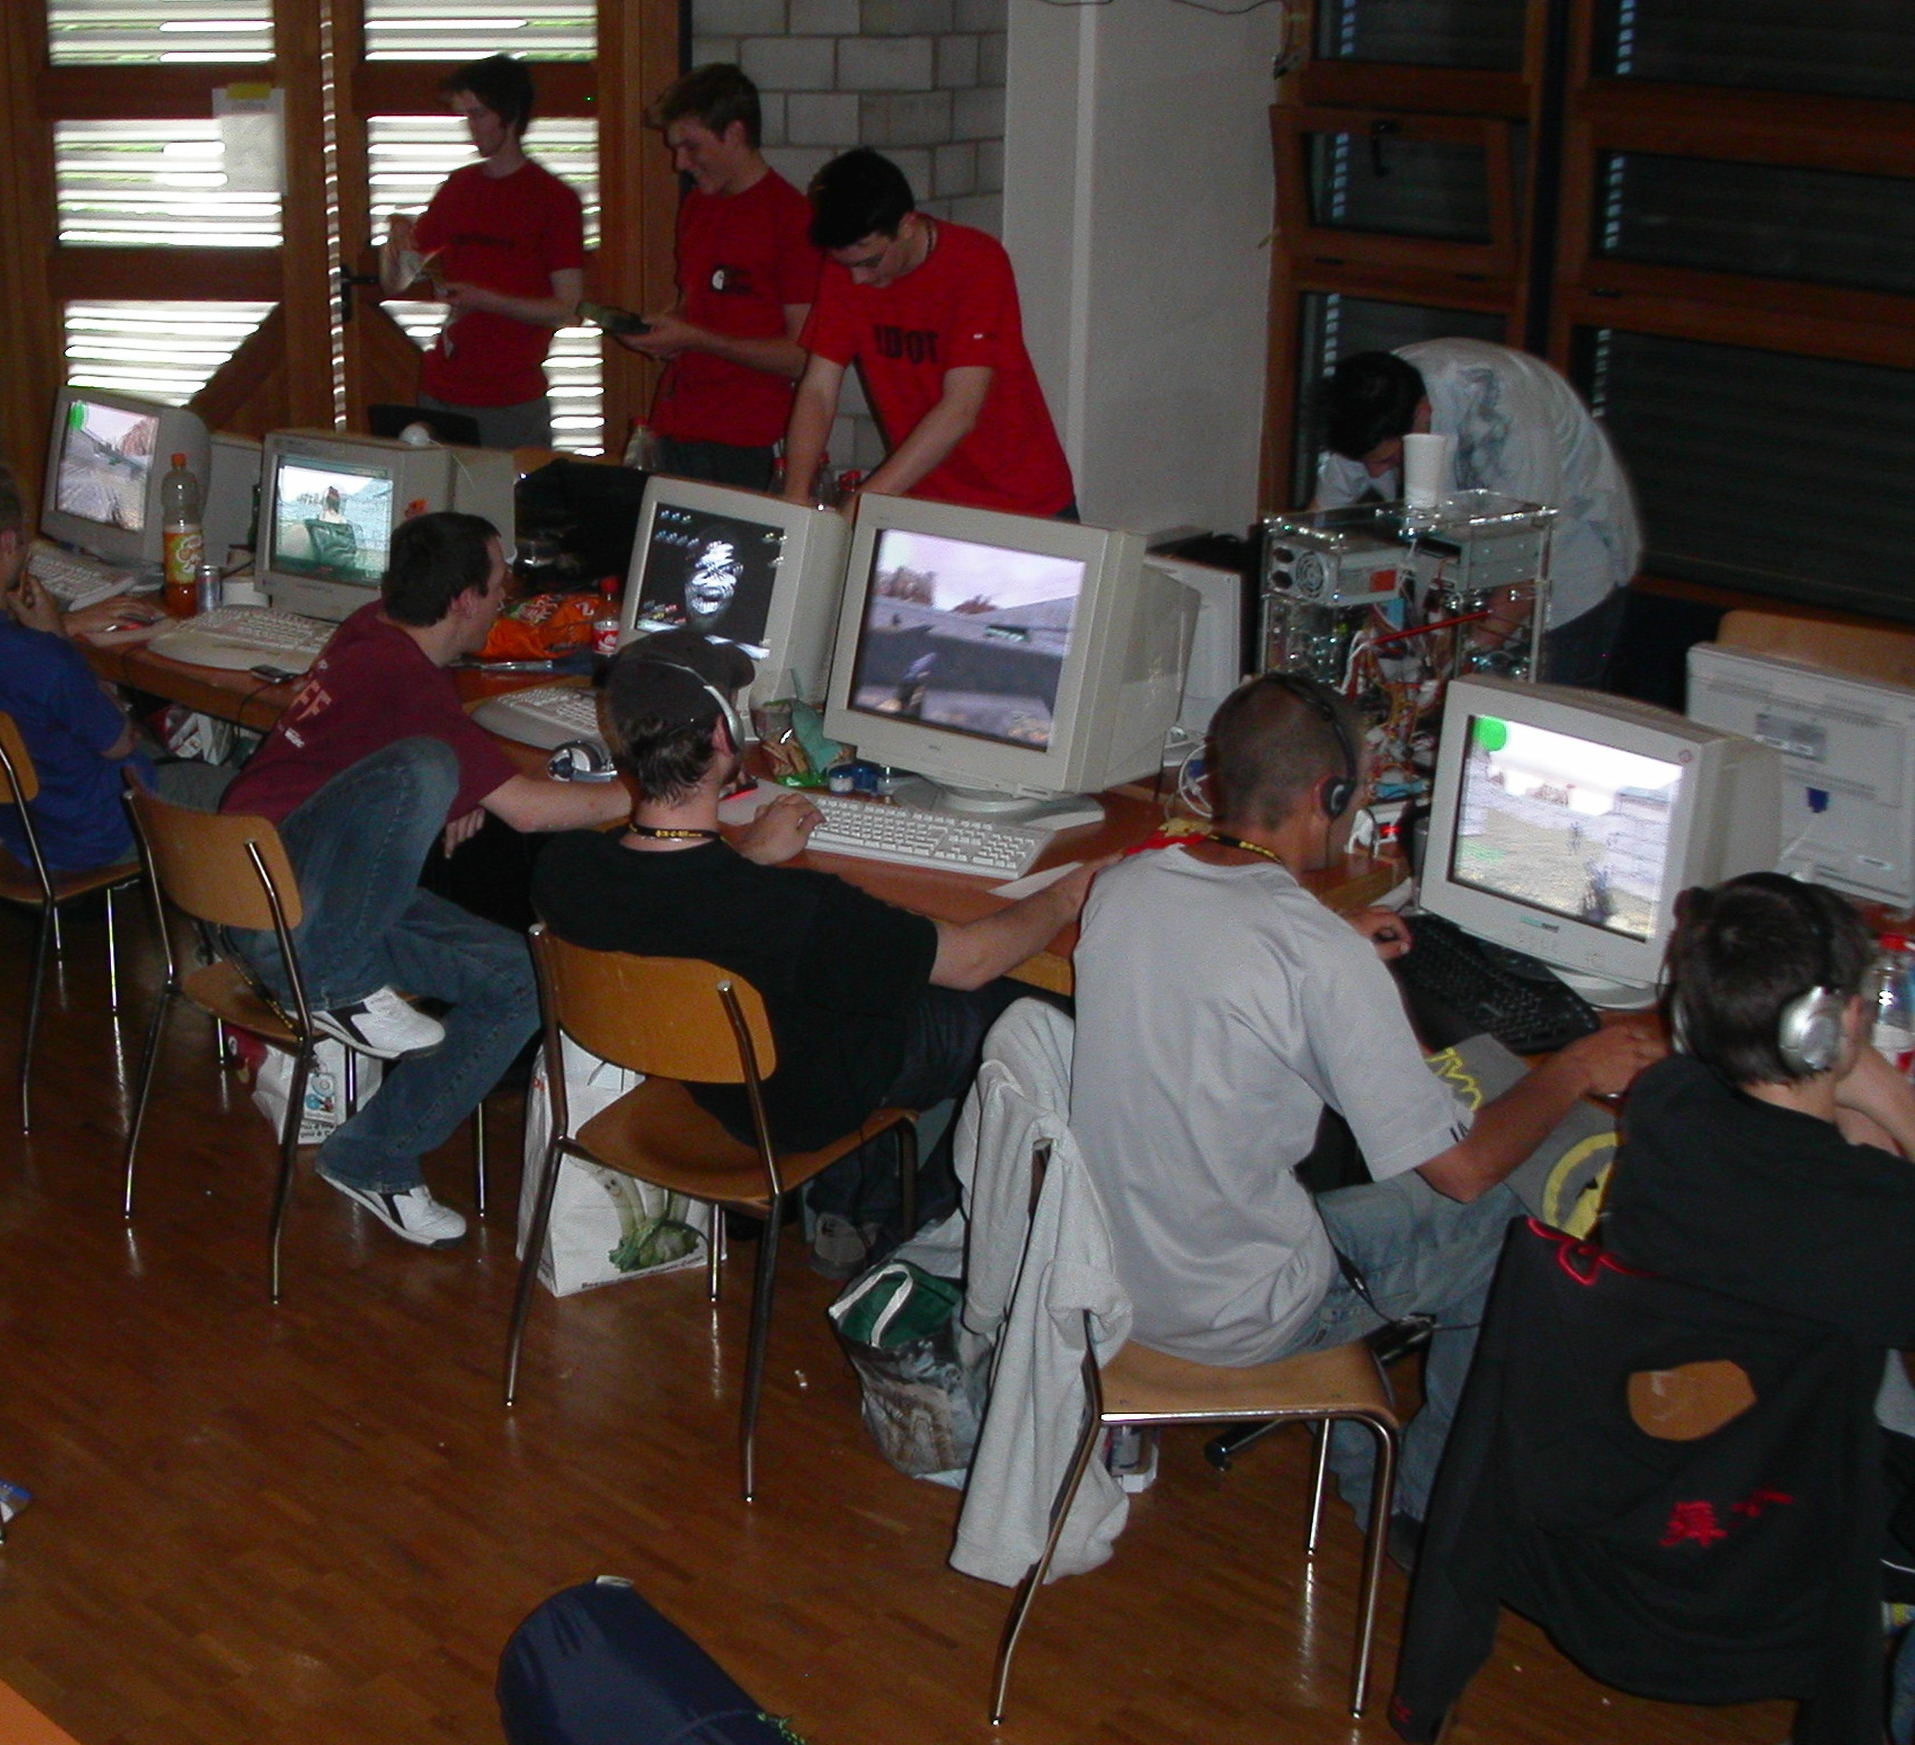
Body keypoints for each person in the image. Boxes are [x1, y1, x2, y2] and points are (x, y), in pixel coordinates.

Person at [1068, 673, 1663, 1543]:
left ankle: (1360, 1451)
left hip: (1104, 1273)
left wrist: (1330, 956)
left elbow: (1228, 965)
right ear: (1333, 794)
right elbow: (1462, 1171)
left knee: (1387, 1193)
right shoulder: (1315, 957)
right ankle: (1421, 1511)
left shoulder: (1126, 887)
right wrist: (1575, 1066)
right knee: (1521, 1232)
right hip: (1233, 1312)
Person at [531, 629, 1106, 1272]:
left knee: (861, 978)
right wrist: (1066, 895)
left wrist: (749, 853)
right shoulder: (798, 909)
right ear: (723, 738)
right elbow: (971, 962)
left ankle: (855, 1205)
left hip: (710, 1081)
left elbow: (679, 897)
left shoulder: (567, 868)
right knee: (1040, 1014)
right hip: (797, 1107)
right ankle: (916, 1240)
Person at [217, 511, 629, 1248]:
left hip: (285, 887)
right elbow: (530, 812)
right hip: (280, 915)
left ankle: (372, 1156)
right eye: (499, 586)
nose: (504, 599)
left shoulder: (371, 629)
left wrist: (462, 790)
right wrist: (650, 795)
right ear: (464, 600)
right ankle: (337, 988)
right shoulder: (406, 683)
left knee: (522, 983)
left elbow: (377, 741)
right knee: (430, 765)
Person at [1604, 872, 1915, 1375]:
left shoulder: (1665, 1098)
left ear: (1690, 1016)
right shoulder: (1878, 1221)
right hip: (1791, 1419)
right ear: (1833, 1024)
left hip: (1658, 1398)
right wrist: (1899, 1103)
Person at [0, 466, 192, 875]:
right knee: (239, 792)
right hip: (95, 834)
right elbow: (120, 742)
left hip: (7, 827)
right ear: (8, 541)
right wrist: (56, 637)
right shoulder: (41, 659)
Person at [1319, 340, 1644, 688]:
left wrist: (1461, 666)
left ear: (1423, 414)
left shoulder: (1502, 414)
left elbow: (1526, 564)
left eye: (1387, 461)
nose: (1373, 473)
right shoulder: (1370, 405)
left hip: (1563, 578)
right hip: (1465, 577)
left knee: (1534, 710)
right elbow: (1321, 518)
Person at [779, 147, 1074, 518]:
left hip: (1020, 499)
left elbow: (960, 409)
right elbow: (818, 391)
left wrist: (863, 504)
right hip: (927, 498)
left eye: (871, 262)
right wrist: (795, 498)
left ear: (906, 225)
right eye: (846, 265)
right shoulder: (847, 267)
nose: (858, 279)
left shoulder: (976, 262)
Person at [609, 65, 821, 489]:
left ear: (735, 133)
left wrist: (697, 338)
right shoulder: (698, 207)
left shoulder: (792, 219)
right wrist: (663, 330)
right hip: (677, 423)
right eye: (676, 148)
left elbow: (803, 357)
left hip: (747, 439)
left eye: (692, 147)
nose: (680, 163)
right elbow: (695, 303)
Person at [384, 54, 586, 451]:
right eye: (466, 116)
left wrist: (485, 300)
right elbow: (396, 280)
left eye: (479, 115)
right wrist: (395, 243)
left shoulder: (554, 200)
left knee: (509, 490)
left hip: (511, 396)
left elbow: (566, 308)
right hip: (442, 389)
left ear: (510, 115)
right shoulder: (459, 187)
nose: (470, 128)